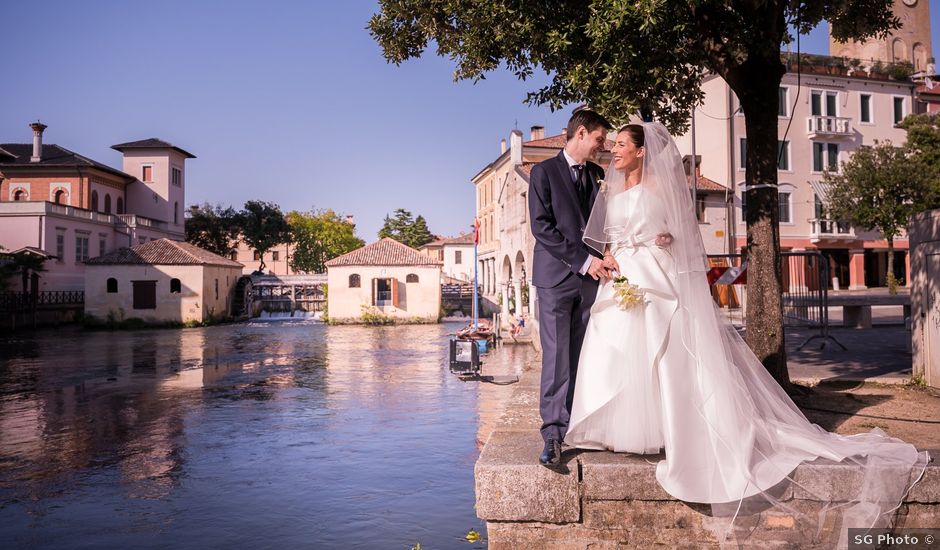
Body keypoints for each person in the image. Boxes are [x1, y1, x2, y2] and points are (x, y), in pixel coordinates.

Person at [566, 122, 929, 546]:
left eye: (622, 145)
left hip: (655, 276)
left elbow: (683, 235)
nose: (615, 152)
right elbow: (608, 238)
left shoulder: (662, 188)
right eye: (614, 146)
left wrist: (664, 238)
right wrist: (610, 256)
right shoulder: (611, 190)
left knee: (665, 353)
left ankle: (672, 430)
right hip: (623, 275)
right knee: (616, 351)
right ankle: (621, 431)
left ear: (643, 151)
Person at [528, 108, 613, 467]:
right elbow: (541, 227)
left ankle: (576, 424)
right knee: (556, 356)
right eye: (598, 139)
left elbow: (603, 223)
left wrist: (606, 254)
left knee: (582, 356)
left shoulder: (597, 174)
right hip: (556, 279)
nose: (602, 146)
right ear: (581, 134)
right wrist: (584, 260)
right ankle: (552, 434)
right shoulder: (542, 173)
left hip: (590, 282)